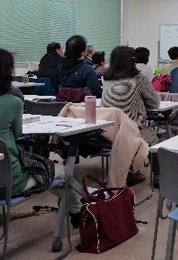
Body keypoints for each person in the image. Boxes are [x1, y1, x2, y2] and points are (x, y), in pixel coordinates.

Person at [0, 48, 82, 223]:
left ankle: (75, 207)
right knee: (61, 173)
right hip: (11, 182)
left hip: (4, 174)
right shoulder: (12, 102)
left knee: (46, 171)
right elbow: (17, 135)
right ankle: (78, 211)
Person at [101, 46, 160, 128]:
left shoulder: (106, 78)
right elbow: (154, 102)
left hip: (108, 129)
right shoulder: (139, 77)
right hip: (131, 128)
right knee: (155, 138)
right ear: (132, 61)